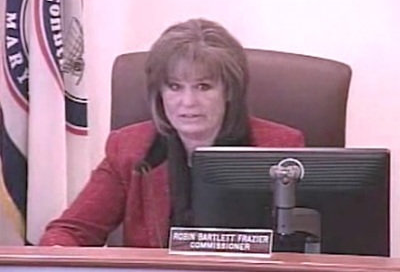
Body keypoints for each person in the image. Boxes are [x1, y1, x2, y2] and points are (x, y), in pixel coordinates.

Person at [39, 18, 304, 247]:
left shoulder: (280, 149)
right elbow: (68, 233)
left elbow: (315, 243)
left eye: (203, 86)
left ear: (230, 91)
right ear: (159, 93)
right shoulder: (130, 149)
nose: (188, 102)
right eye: (175, 87)